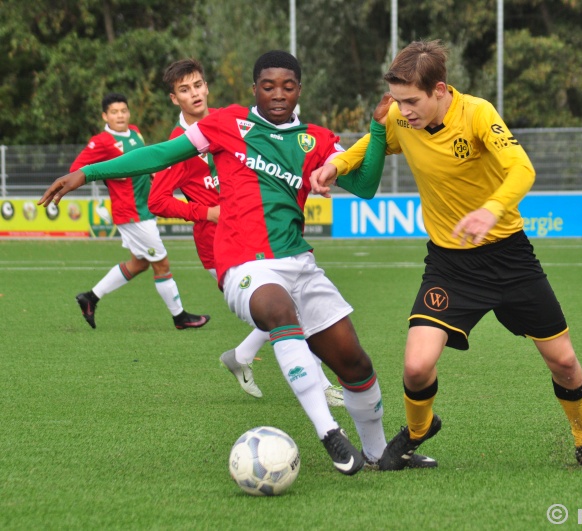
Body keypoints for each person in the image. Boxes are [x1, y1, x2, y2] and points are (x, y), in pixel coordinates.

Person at [40, 51, 435, 475]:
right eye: (268, 86)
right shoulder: (226, 124)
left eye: (288, 86)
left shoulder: (316, 140)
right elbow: (159, 155)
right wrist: (88, 174)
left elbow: (364, 185)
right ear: (254, 90)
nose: (278, 95)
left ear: (299, 90)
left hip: (299, 263)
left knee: (355, 363)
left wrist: (377, 129)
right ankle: (328, 432)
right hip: (243, 266)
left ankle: (378, 455)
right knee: (277, 310)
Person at [311, 39, 582, 470]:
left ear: (440, 90)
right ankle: (418, 431)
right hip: (450, 265)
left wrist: (491, 210)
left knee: (564, 361)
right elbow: (366, 146)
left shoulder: (476, 113)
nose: (403, 111)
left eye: (412, 100)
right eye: (397, 101)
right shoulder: (403, 119)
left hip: (509, 258)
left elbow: (522, 169)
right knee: (417, 367)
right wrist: (336, 166)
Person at [152, 58, 344, 406]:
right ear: (174, 98)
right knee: (288, 310)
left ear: (207, 87)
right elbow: (157, 200)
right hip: (220, 247)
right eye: (184, 90)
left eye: (197, 85)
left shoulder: (236, 121)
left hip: (262, 236)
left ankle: (242, 358)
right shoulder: (178, 144)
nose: (194, 94)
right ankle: (321, 388)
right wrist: (206, 212)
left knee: (287, 308)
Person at [70, 93, 209, 330]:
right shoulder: (101, 142)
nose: (120, 115)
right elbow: (77, 169)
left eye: (123, 110)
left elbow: (143, 162)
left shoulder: (134, 132)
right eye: (114, 112)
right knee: (161, 264)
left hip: (145, 208)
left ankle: (90, 298)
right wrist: (111, 173)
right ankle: (180, 317)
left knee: (140, 263)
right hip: (132, 212)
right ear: (105, 116)